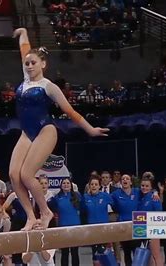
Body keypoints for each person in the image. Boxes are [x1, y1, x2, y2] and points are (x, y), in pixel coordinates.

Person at [10, 27, 109, 231]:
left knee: (27, 174)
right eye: (27, 63)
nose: (29, 66)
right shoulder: (25, 78)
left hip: (46, 130)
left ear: (43, 64)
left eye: (33, 63)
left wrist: (90, 130)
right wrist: (24, 33)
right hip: (26, 133)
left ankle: (45, 211)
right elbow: (25, 50)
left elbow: (70, 112)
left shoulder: (49, 87)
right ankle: (31, 216)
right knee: (13, 175)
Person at [139, 177, 163, 266]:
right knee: (148, 255)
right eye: (142, 185)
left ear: (151, 187)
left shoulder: (154, 197)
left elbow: (159, 214)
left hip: (153, 228)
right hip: (141, 228)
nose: (144, 187)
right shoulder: (141, 197)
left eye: (147, 186)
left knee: (156, 254)